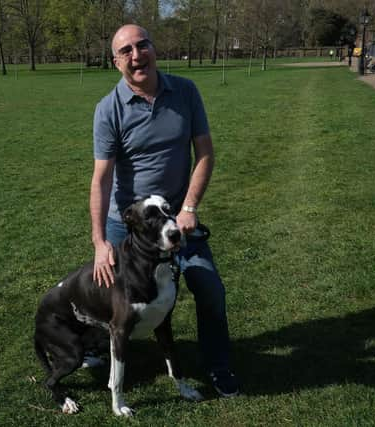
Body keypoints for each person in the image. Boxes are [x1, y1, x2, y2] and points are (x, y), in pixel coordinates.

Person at [89, 24, 239, 397]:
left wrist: (188, 208)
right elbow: (102, 179)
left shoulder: (185, 91)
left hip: (177, 220)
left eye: (142, 46)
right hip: (130, 225)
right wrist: (100, 242)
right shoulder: (109, 109)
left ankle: (219, 367)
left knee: (208, 288)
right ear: (116, 62)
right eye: (126, 51)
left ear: (154, 49)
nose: (136, 56)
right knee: (111, 294)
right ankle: (94, 346)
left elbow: (204, 153)